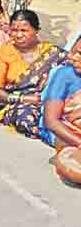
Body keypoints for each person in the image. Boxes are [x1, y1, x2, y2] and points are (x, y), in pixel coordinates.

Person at [0, 9, 63, 139]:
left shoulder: (52, 53)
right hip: (21, 104)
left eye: (24, 30)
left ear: (37, 31)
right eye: (14, 30)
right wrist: (23, 98)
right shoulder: (5, 53)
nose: (18, 35)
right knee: (25, 118)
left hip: (52, 101)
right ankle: (55, 137)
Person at [40, 35, 81, 179]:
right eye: (73, 52)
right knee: (72, 167)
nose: (72, 57)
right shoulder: (65, 74)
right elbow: (51, 121)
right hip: (66, 132)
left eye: (79, 54)